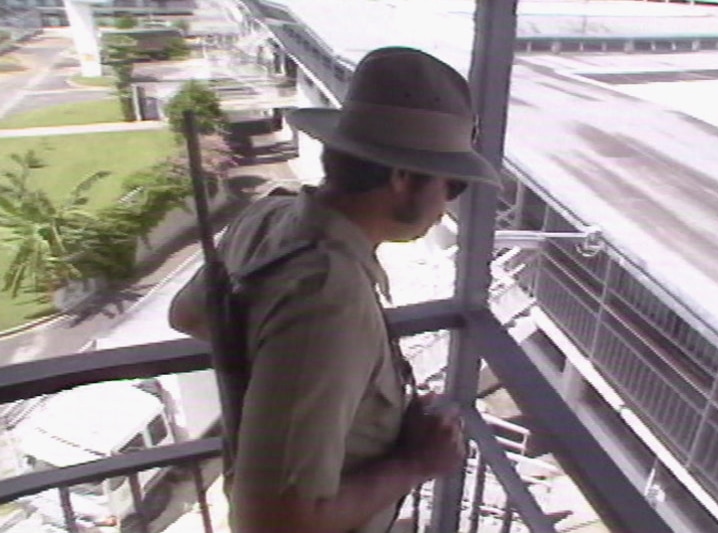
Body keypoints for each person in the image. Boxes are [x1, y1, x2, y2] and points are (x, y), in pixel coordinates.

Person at [169, 46, 500, 533]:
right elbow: (273, 526)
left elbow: (188, 314)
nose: (446, 205)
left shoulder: (267, 217)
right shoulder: (329, 300)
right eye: (453, 185)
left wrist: (280, 366)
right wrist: (414, 462)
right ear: (404, 179)